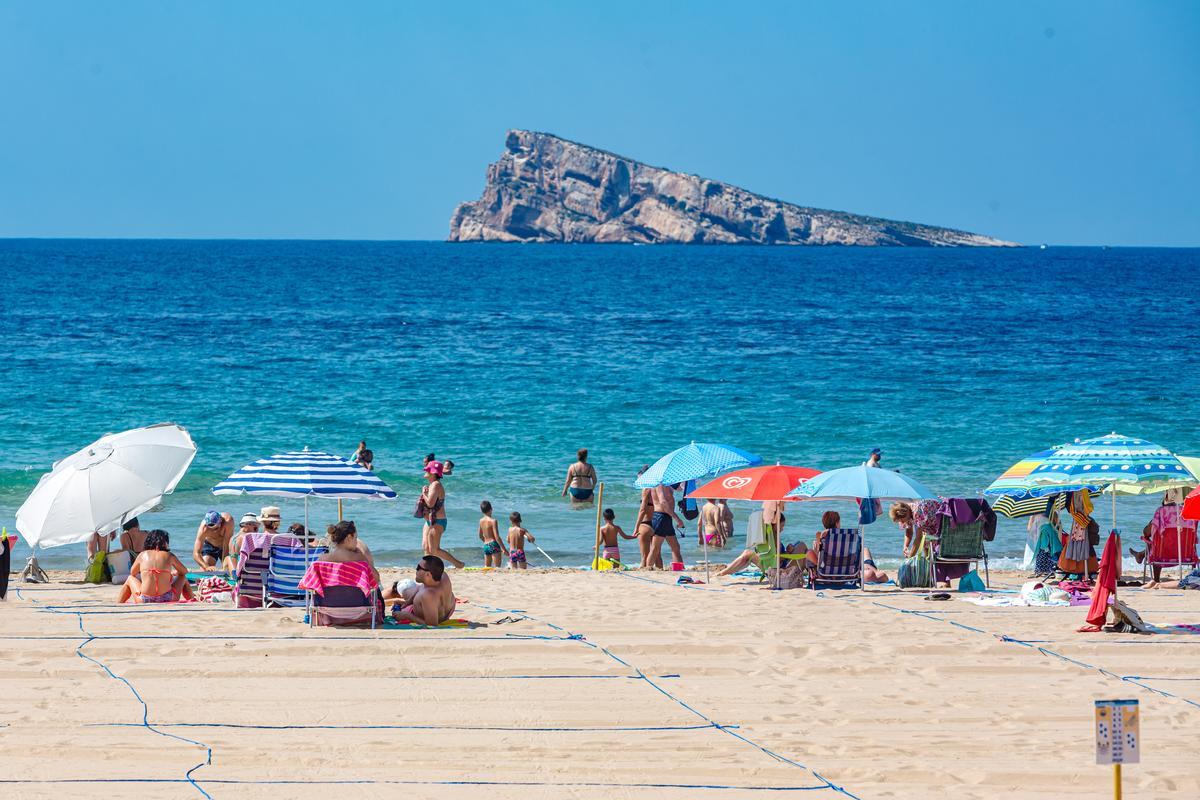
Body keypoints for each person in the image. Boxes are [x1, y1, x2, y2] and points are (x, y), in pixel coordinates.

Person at [1130, 490, 1197, 582]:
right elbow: (1194, 537)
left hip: (1162, 556)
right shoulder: (1188, 513)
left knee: (1157, 546)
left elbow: (1146, 533)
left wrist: (1152, 522)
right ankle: (1140, 555)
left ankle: (1156, 580)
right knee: (1162, 544)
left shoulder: (1161, 513)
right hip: (1185, 554)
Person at [118, 529, 193, 603]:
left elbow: (133, 573)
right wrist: (175, 572)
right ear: (165, 542)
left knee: (130, 578)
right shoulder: (169, 555)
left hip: (144, 599)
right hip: (168, 598)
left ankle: (119, 603)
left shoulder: (142, 555)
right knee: (182, 577)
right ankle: (192, 599)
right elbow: (184, 571)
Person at [418, 460, 464, 569]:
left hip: (438, 521)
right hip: (430, 520)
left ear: (433, 473)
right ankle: (427, 568)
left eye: (428, 470)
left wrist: (424, 493)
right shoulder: (432, 484)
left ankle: (458, 564)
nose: (425, 471)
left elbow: (430, 503)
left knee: (434, 550)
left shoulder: (436, 485)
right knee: (425, 546)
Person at [392, 555, 456, 625]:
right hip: (446, 612)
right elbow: (423, 586)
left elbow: (432, 624)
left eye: (418, 568)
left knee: (405, 591)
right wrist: (408, 602)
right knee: (413, 590)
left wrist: (407, 616)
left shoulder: (428, 595)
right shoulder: (443, 576)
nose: (416, 570)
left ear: (428, 574)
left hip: (434, 617)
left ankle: (398, 587)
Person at [319, 519, 381, 585]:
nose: (356, 542)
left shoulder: (323, 559)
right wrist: (362, 556)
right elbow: (376, 578)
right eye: (355, 538)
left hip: (330, 591)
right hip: (354, 592)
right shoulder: (358, 557)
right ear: (349, 537)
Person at [716, 540, 808, 578]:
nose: (782, 528)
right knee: (747, 554)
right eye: (781, 526)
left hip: (779, 570)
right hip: (775, 569)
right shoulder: (772, 539)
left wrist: (787, 552)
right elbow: (774, 559)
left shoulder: (773, 538)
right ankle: (724, 572)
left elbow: (775, 559)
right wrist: (787, 553)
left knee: (747, 554)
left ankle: (724, 572)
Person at [650, 482, 685, 569]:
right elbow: (663, 502)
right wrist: (677, 519)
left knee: (675, 547)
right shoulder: (659, 484)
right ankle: (647, 569)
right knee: (655, 548)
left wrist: (688, 482)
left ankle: (678, 569)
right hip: (661, 517)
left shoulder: (666, 483)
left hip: (666, 517)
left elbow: (679, 488)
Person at [634, 467, 656, 568]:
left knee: (644, 557)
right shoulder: (657, 488)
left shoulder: (646, 490)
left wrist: (636, 527)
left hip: (645, 525)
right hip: (656, 523)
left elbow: (642, 510)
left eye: (640, 479)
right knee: (657, 556)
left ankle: (644, 571)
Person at [478, 500, 507, 568]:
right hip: (493, 544)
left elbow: (480, 536)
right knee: (497, 568)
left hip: (486, 545)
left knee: (487, 568)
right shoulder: (493, 521)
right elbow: (497, 537)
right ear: (491, 509)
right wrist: (504, 549)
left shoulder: (481, 521)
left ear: (482, 511)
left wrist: (486, 542)